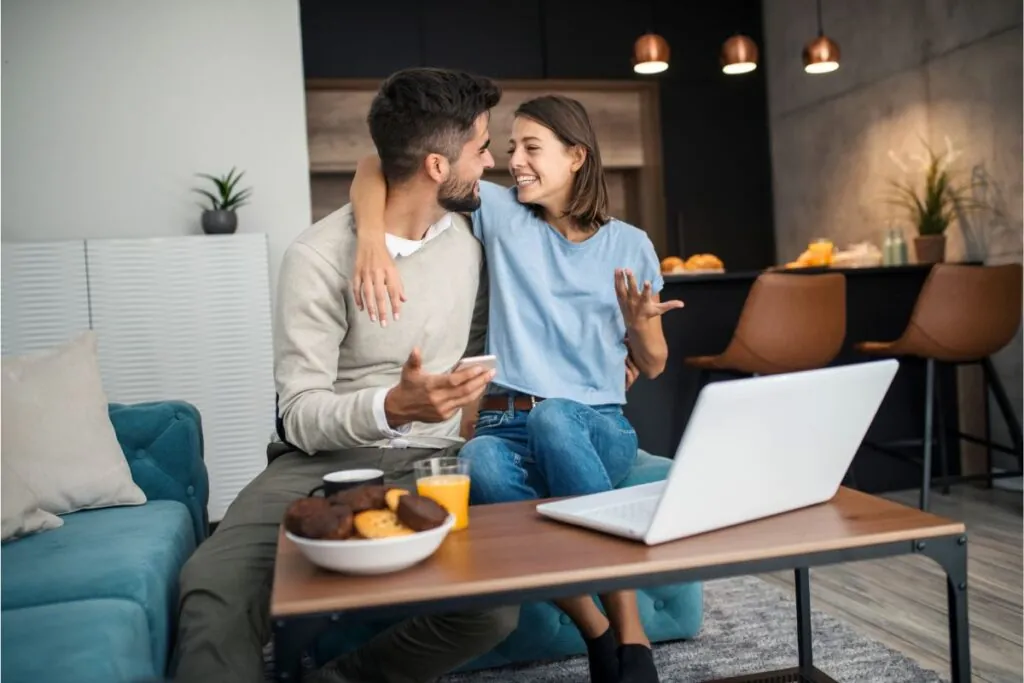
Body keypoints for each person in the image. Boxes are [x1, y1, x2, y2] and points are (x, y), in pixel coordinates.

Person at [170, 67, 520, 683]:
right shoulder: (315, 257)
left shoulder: (468, 241)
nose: (490, 162)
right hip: (317, 461)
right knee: (211, 583)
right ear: (438, 166)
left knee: (492, 608)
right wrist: (391, 406)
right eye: (481, 147)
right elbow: (299, 410)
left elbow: (471, 345)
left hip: (431, 459)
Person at [349, 94, 682, 683]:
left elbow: (653, 364)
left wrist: (639, 327)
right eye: (509, 149)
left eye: (532, 148)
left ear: (577, 156)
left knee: (555, 417)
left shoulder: (630, 244)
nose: (515, 162)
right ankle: (598, 633)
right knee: (475, 458)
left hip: (594, 422)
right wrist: (371, 240)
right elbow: (380, 166)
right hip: (505, 424)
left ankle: (632, 635)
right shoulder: (502, 214)